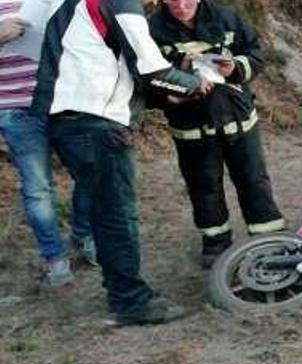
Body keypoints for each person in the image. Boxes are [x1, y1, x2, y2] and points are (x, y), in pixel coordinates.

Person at [32, 0, 212, 326]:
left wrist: (164, 93)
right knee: (116, 215)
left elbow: (117, 65)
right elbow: (150, 67)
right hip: (96, 122)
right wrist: (194, 82)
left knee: (104, 212)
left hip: (70, 121)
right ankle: (131, 302)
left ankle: (121, 291)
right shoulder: (118, 1)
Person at [148, 0, 284, 268]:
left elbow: (256, 53)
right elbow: (145, 78)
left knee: (254, 180)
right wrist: (178, 81)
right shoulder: (152, 30)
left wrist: (234, 68)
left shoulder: (226, 16)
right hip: (191, 127)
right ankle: (216, 243)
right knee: (203, 187)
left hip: (238, 119)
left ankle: (269, 238)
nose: (182, 5)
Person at [0, 0, 94, 288]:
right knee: (38, 187)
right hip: (16, 108)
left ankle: (81, 235)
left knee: (89, 172)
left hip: (63, 100)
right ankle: (55, 258)